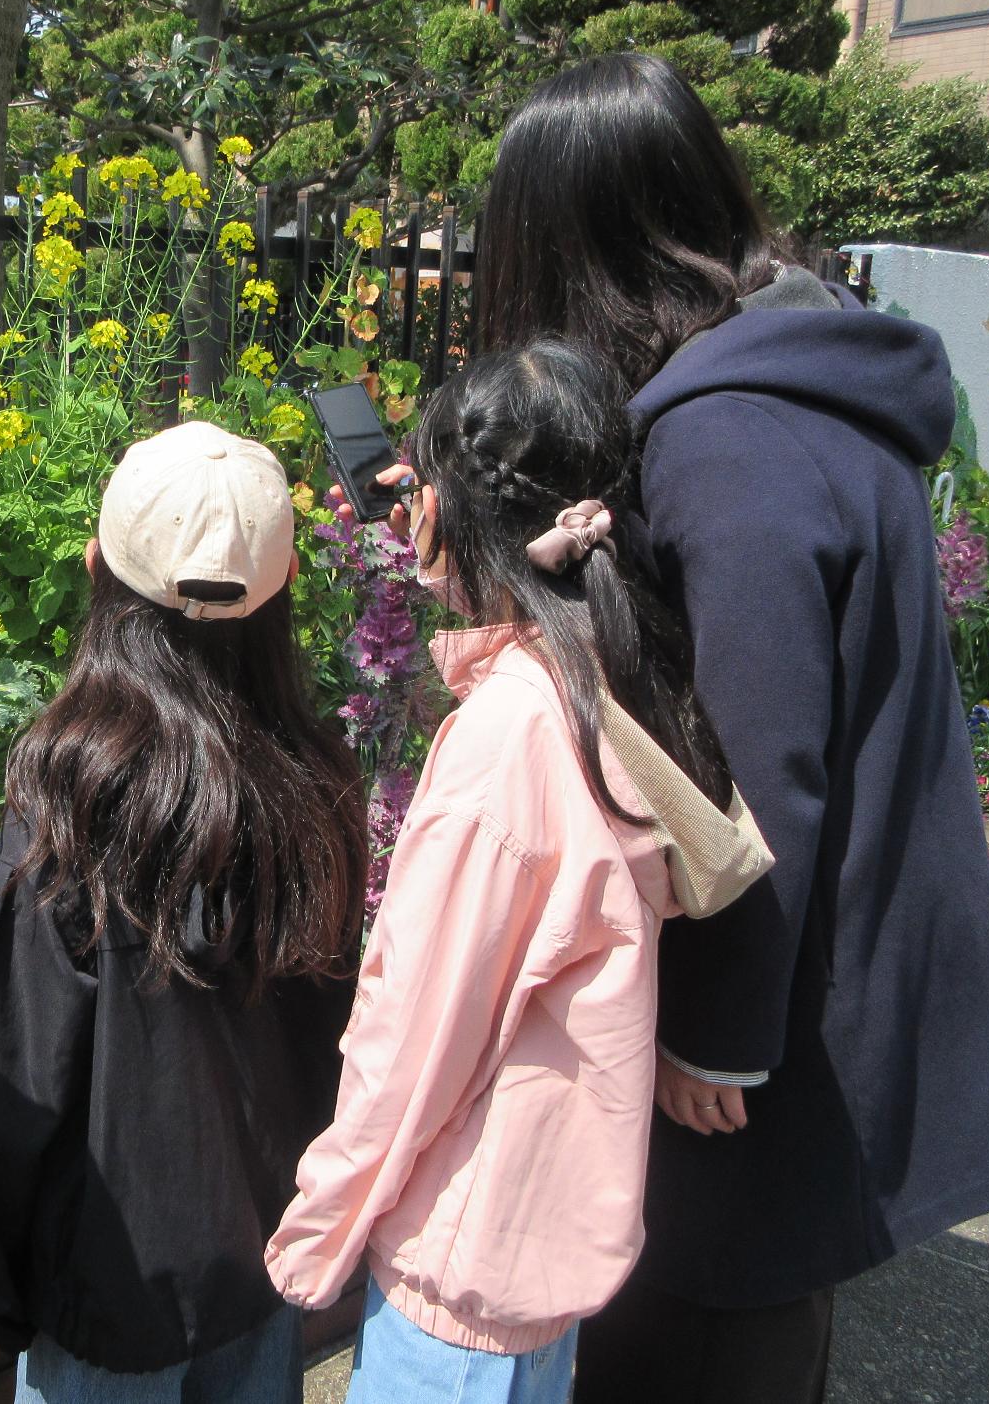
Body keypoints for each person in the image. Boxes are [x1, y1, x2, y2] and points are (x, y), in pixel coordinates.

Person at [468, 53, 989, 1403]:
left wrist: (712, 1030)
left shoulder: (725, 437)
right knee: (768, 1311)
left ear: (581, 242)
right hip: (838, 950)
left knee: (711, 1317)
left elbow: (762, 762)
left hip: (768, 991)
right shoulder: (802, 375)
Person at [267, 344, 770, 1404]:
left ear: (454, 507)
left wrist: (317, 1233)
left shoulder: (505, 736)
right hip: (535, 1246)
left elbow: (416, 1032)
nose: (401, 516)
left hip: (461, 1265)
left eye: (417, 490)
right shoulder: (612, 671)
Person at [0, 420, 370, 1404]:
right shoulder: (316, 782)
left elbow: (9, 1078)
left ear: (96, 569)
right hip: (262, 1271)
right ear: (284, 585)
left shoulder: (71, 798)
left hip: (106, 1298)